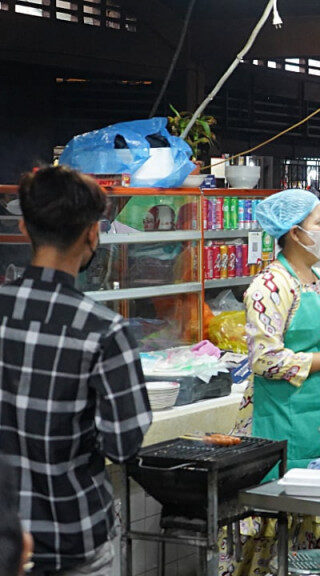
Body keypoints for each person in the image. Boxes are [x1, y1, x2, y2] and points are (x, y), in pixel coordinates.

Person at [0, 166, 152, 574]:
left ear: (24, 227)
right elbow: (124, 444)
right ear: (92, 233)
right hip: (73, 539)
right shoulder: (103, 330)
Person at [245, 188, 320, 472]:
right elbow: (264, 360)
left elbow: (317, 339)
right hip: (286, 423)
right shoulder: (270, 286)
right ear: (295, 232)